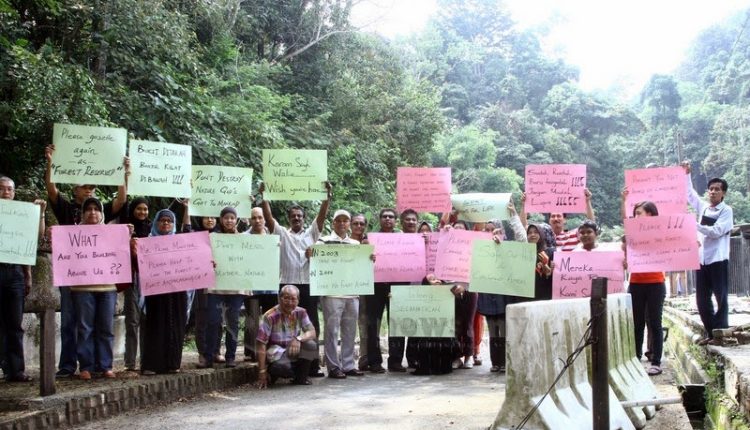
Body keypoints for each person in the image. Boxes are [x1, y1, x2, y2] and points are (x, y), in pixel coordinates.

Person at [44, 144, 128, 378]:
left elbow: (121, 200)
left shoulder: (101, 210)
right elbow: (51, 189)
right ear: (75, 190)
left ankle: (100, 365)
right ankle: (69, 365)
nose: (90, 191)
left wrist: (122, 173)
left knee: (98, 324)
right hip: (73, 277)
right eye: (85, 187)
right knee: (71, 321)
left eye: (92, 187)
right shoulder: (66, 209)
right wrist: (50, 162)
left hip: (101, 281)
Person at [259, 181, 331, 377]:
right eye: (293, 216)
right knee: (282, 325)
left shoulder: (311, 234)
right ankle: (280, 363)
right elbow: (269, 218)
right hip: (287, 285)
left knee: (312, 324)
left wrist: (326, 197)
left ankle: (312, 367)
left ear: (304, 218)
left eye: (299, 216)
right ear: (289, 219)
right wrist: (264, 197)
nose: (297, 218)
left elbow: (321, 217)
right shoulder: (282, 233)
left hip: (308, 285)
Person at [0, 176, 45, 382]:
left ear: (14, 192)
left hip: (15, 272)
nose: (6, 193)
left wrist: (27, 274)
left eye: (10, 189)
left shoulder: (21, 214)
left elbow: (33, 240)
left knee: (15, 323)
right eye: (2, 189)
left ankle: (16, 370)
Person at [315, 209, 370, 378]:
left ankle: (348, 365)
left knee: (350, 330)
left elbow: (361, 266)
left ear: (349, 224)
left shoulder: (356, 245)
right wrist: (311, 254)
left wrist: (369, 259)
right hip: (331, 293)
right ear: (333, 223)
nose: (342, 223)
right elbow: (314, 259)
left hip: (352, 292)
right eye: (338, 220)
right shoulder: (323, 242)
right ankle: (333, 367)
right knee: (331, 331)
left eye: (345, 221)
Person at [683, 163, 734, 345]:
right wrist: (687, 175)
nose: (713, 192)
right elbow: (690, 195)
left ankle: (721, 332)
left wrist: (694, 224)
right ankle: (711, 332)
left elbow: (717, 231)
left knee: (721, 297)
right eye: (711, 189)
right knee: (702, 300)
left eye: (717, 189)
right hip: (702, 259)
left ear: (723, 193)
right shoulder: (704, 207)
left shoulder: (726, 211)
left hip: (718, 259)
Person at [138, 206, 191, 375]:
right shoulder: (148, 242)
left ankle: (172, 363)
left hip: (177, 293)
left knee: (176, 325)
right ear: (156, 223)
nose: (166, 223)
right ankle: (151, 365)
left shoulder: (182, 243)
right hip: (156, 292)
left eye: (169, 221)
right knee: (156, 325)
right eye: (162, 220)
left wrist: (187, 207)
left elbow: (189, 234)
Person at [70, 197, 119, 380]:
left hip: (107, 287)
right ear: (83, 213)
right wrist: (55, 236)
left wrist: (127, 237)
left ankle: (105, 366)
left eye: (96, 209)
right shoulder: (72, 234)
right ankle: (86, 366)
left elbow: (119, 255)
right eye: (88, 209)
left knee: (106, 327)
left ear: (101, 213)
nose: (92, 212)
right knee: (85, 328)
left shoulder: (112, 234)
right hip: (82, 288)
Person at [476, 203, 528, 372]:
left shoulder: (510, 247)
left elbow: (522, 241)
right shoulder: (480, 249)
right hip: (488, 294)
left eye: (494, 229)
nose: (490, 232)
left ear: (501, 231)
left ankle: (505, 363)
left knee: (505, 329)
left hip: (505, 295)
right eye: (487, 229)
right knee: (492, 330)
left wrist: (513, 216)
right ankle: (495, 363)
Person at [620, 191, 665, 375]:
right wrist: (623, 201)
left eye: (639, 213)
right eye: (635, 213)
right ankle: (636, 359)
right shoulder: (631, 236)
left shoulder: (662, 234)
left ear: (651, 214)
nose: (636, 216)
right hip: (636, 282)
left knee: (655, 323)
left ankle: (656, 362)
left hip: (656, 282)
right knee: (636, 323)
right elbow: (625, 221)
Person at [205, 207, 250, 368]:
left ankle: (230, 357)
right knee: (213, 320)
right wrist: (209, 261)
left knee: (233, 322)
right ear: (221, 219)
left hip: (236, 287)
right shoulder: (212, 238)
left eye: (232, 218)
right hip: (216, 286)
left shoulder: (244, 239)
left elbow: (253, 258)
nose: (229, 220)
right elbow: (203, 257)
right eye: (226, 218)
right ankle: (208, 356)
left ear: (236, 220)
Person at [364, 208, 403, 373]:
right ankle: (374, 362)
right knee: (373, 325)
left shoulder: (403, 239)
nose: (388, 219)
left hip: (397, 286)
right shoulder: (370, 239)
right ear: (380, 219)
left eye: (391, 217)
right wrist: (366, 253)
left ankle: (396, 361)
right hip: (375, 286)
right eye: (384, 216)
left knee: (397, 324)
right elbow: (361, 261)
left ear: (395, 220)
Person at [256, 285, 318, 388]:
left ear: (298, 300)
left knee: (311, 345)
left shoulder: (301, 312)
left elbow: (312, 332)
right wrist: (262, 371)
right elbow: (261, 344)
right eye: (286, 298)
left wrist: (298, 339)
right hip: (275, 354)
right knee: (282, 368)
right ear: (279, 298)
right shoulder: (269, 316)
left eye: (293, 299)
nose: (289, 302)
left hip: (292, 350)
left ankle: (300, 378)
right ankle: (272, 373)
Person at [243, 207, 278, 362]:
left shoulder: (273, 238)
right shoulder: (243, 238)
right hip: (251, 286)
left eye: (260, 217)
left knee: (270, 319)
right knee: (252, 319)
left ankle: (270, 349)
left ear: (265, 219)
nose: (257, 220)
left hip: (270, 286)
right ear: (249, 220)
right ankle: (252, 352)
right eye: (254, 217)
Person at [122, 197, 151, 371]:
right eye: (139, 208)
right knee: (132, 321)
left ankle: (146, 359)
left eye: (145, 209)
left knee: (147, 321)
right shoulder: (126, 229)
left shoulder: (152, 230)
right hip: (132, 279)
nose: (142, 212)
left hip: (150, 280)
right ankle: (130, 362)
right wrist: (127, 236)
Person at [520, 189, 595, 251]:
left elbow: (590, 225)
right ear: (549, 220)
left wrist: (587, 201)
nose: (556, 219)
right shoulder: (542, 235)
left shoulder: (574, 235)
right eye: (553, 216)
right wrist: (524, 205)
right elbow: (523, 227)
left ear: (564, 220)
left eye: (559, 216)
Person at [350, 214, 371, 372]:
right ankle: (347, 361)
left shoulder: (370, 242)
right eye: (355, 223)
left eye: (361, 224)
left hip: (364, 286)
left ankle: (364, 358)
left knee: (364, 323)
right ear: (350, 225)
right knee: (347, 324)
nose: (358, 226)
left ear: (365, 226)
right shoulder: (343, 243)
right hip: (345, 286)